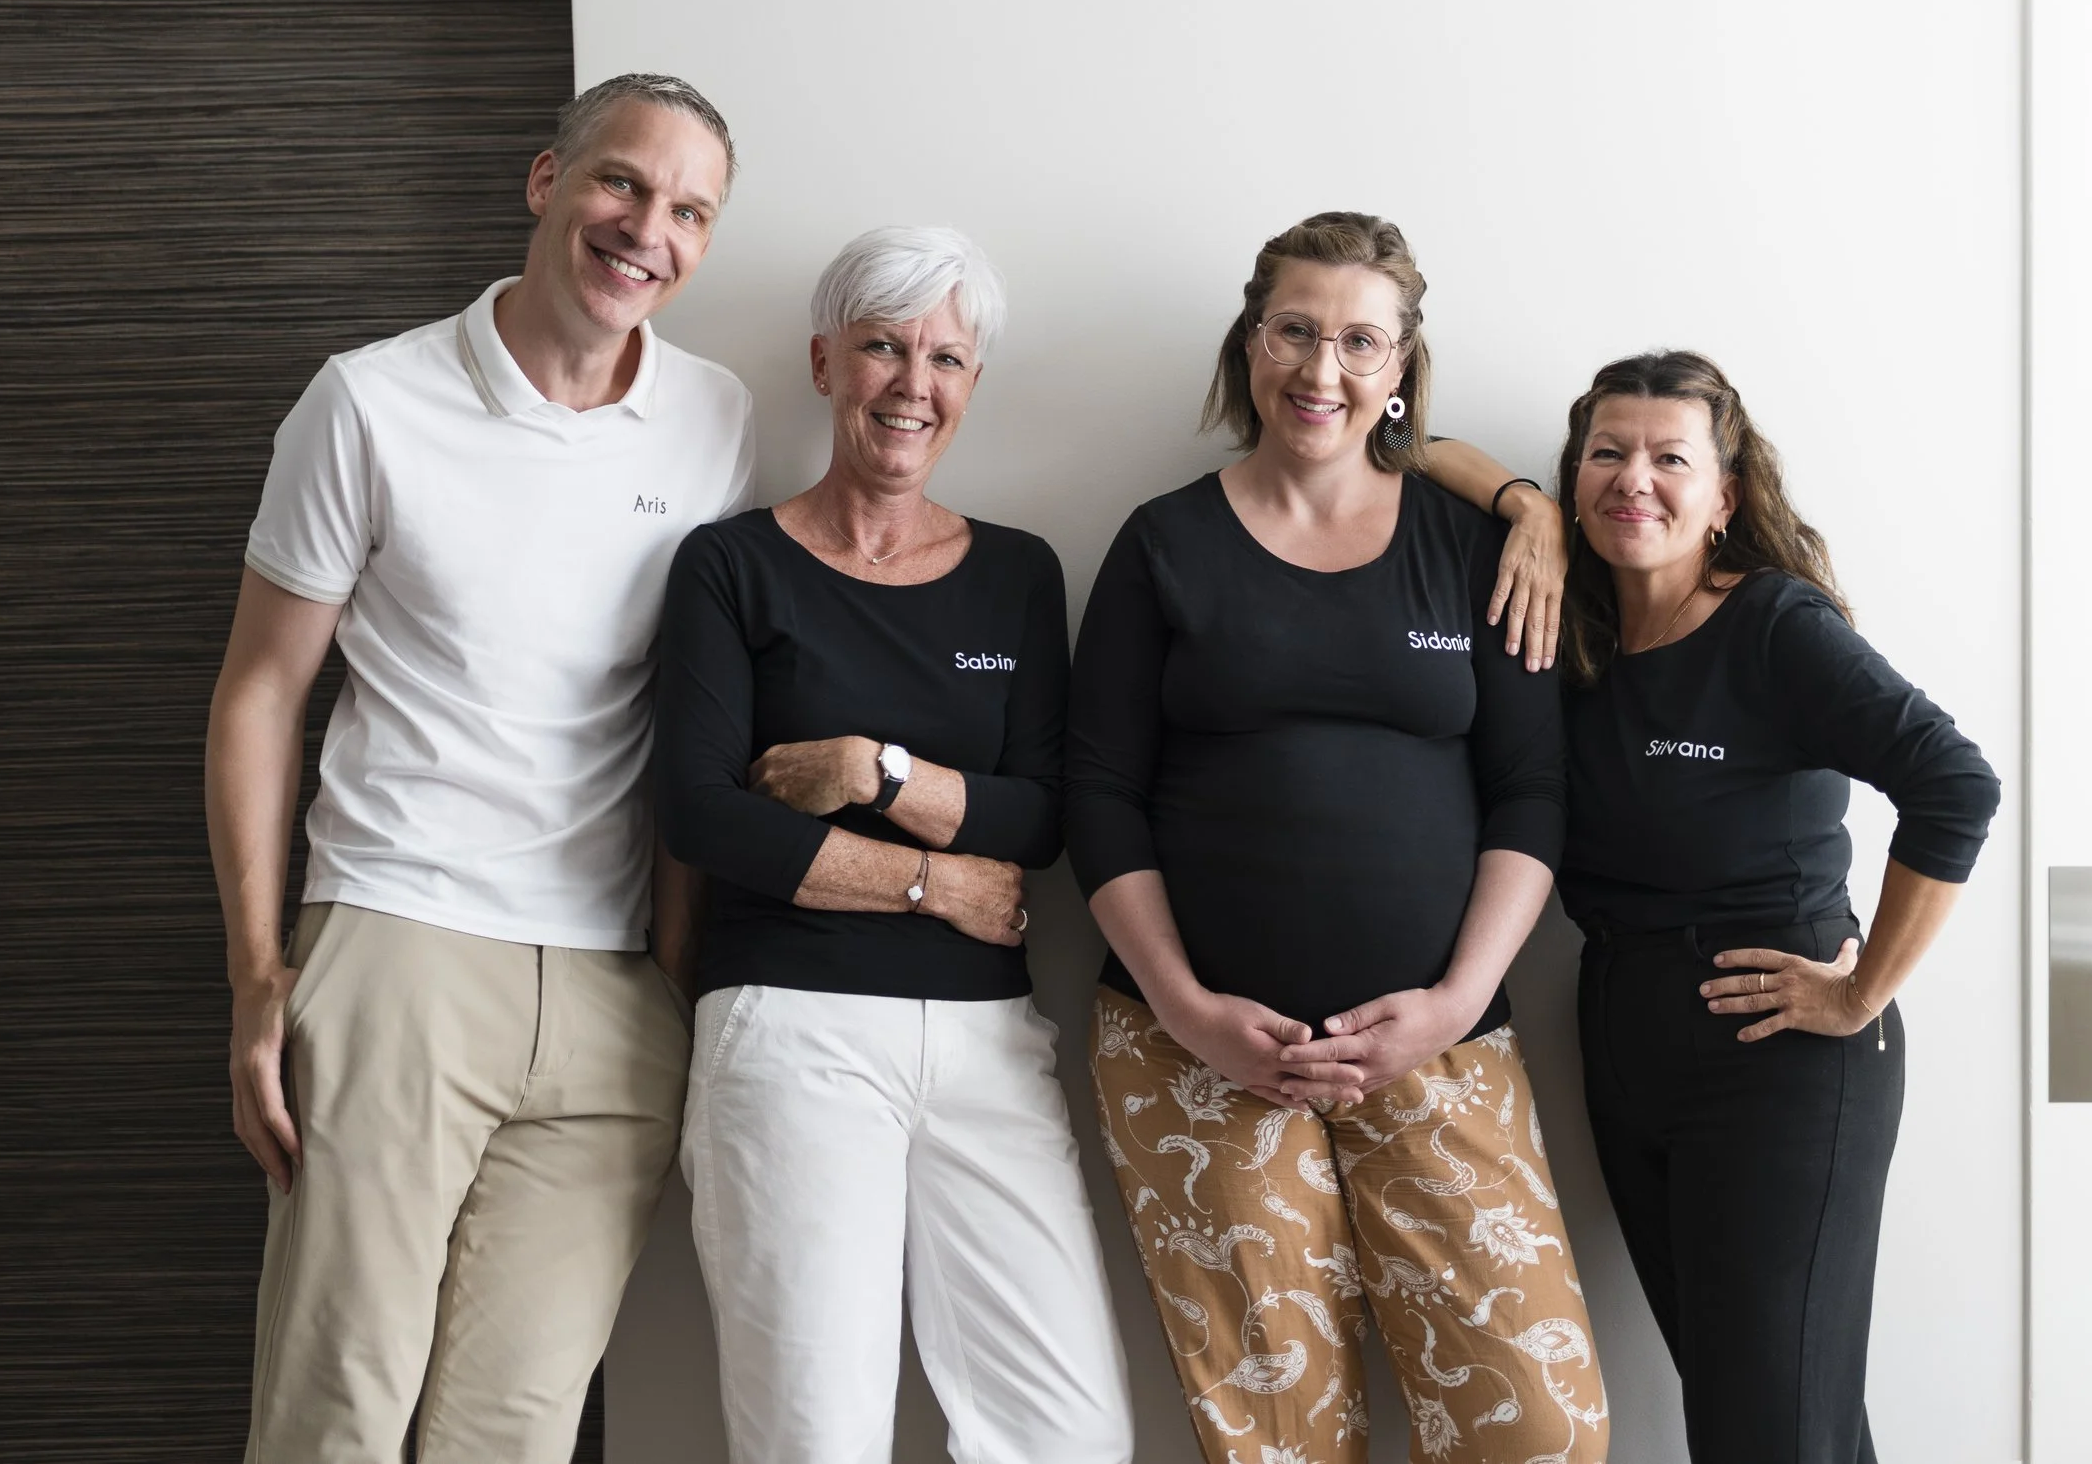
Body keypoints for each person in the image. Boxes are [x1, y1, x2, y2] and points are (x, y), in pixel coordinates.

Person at [205, 72, 751, 1463]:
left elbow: (693, 707)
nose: (648, 230)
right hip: (402, 943)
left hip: (613, 992)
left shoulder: (715, 418)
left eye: (689, 210)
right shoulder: (370, 399)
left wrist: (673, 968)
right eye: (622, 181)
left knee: (512, 1434)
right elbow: (261, 690)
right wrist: (259, 973)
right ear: (546, 180)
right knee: (337, 1412)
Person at [1067, 211, 1610, 1463]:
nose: (1323, 369)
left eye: (1360, 340)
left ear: (1402, 363)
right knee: (1279, 1440)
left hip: (1438, 1044)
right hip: (1196, 1055)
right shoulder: (1162, 543)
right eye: (1294, 331)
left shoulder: (1473, 545)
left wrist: (1456, 1000)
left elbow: (1530, 791)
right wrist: (1189, 1006)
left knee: (1540, 1429)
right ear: (1249, 343)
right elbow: (1098, 792)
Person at [653, 226, 1134, 1464]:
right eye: (882, 346)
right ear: (825, 362)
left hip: (987, 1042)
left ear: (972, 382)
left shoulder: (1018, 573)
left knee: (1069, 1436)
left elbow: (1040, 817)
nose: (913, 384)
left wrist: (876, 770)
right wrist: (932, 881)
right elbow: (703, 813)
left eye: (947, 358)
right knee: (816, 1436)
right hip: (789, 1028)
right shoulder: (730, 564)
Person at [1550, 351, 2000, 1463]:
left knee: (1771, 1428)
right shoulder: (1576, 634)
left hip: (1777, 1057)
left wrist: (1861, 992)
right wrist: (1513, 506)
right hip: (1622, 1035)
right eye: (1605, 452)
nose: (1632, 478)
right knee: (1768, 1418)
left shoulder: (1772, 625)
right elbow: (1425, 454)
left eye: (1669, 457)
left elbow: (1955, 784)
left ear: (1726, 496)